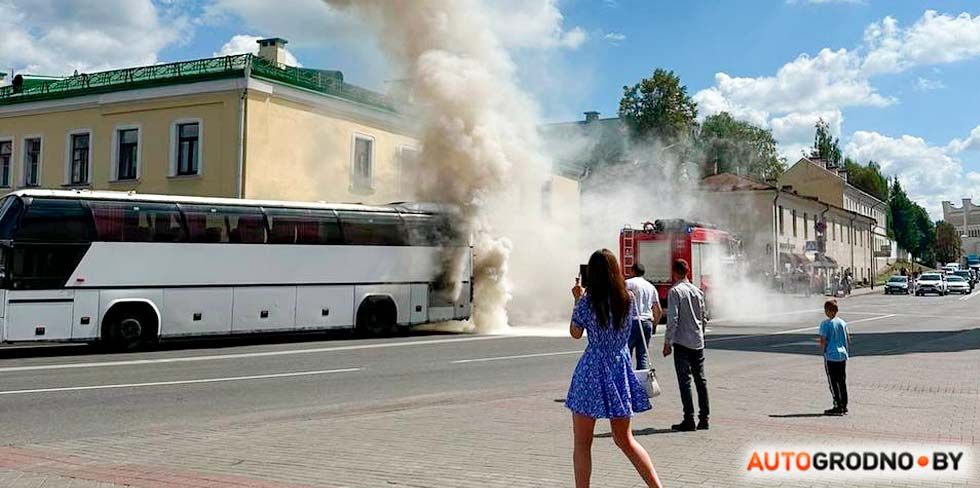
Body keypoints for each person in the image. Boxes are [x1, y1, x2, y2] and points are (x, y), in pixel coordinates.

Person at [566, 250, 663, 488]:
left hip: (592, 369)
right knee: (624, 438)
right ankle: (656, 486)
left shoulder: (588, 302)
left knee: (582, 443)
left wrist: (577, 299)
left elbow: (575, 333)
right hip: (619, 366)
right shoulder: (627, 298)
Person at [662, 258, 710, 432]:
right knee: (701, 380)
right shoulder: (698, 291)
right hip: (698, 342)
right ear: (687, 272)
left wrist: (667, 342)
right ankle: (704, 418)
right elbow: (704, 316)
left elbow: (673, 318)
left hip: (682, 342)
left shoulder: (675, 291)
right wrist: (701, 333)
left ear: (675, 273)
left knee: (685, 381)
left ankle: (688, 419)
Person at [626, 263, 664, 370]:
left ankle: (627, 382)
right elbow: (659, 310)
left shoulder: (627, 283)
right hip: (647, 322)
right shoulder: (650, 287)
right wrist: (654, 325)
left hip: (631, 322)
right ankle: (641, 383)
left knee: (626, 354)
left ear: (632, 271)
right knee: (642, 355)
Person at [819, 299, 850, 416]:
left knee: (833, 382)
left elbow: (823, 340)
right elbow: (848, 338)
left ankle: (837, 406)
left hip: (831, 356)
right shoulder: (842, 322)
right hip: (842, 355)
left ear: (828, 311)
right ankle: (844, 405)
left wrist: (824, 349)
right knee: (842, 381)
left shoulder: (825, 324)